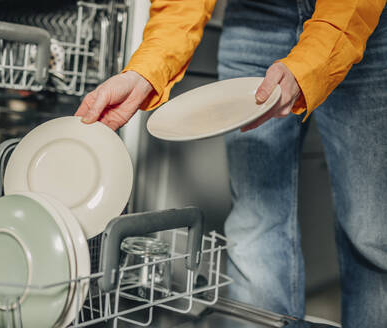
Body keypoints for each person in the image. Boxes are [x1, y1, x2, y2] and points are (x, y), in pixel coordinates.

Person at [74, 0, 387, 326]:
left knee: (371, 234)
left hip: (359, 16)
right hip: (256, 19)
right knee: (256, 224)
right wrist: (145, 71)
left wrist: (312, 63)